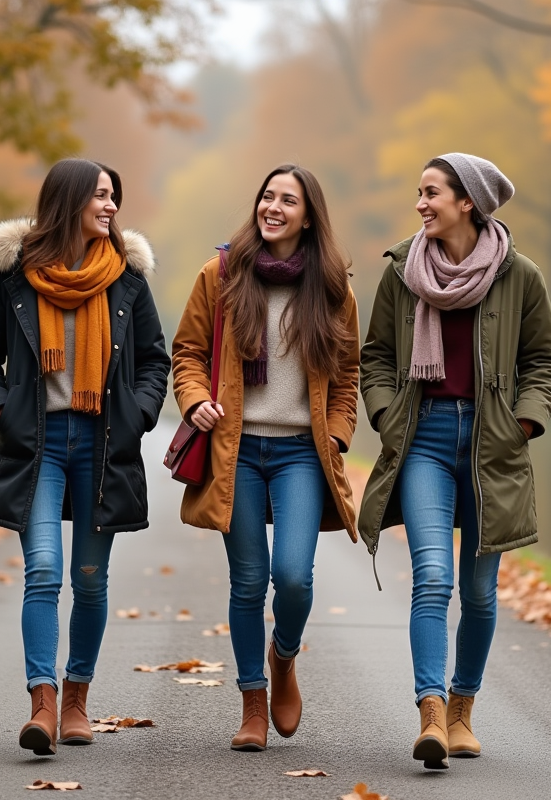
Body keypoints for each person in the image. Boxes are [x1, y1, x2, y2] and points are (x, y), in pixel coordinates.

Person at [358, 153, 551, 770]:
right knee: (433, 577)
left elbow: (545, 359)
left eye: (431, 193)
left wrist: (523, 421)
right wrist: (386, 415)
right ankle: (429, 715)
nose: (421, 204)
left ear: (466, 202)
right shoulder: (402, 271)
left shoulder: (518, 275)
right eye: (419, 193)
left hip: (491, 444)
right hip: (422, 437)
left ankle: (462, 711)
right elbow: (375, 356)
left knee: (478, 591)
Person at [0, 158, 170, 756]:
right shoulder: (15, 277)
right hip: (39, 445)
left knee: (90, 579)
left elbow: (154, 360)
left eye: (115, 197)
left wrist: (138, 415)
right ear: (69, 200)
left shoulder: (127, 278)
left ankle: (78, 698)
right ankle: (43, 703)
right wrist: (4, 412)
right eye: (101, 196)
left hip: (104, 444)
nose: (110, 207)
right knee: (45, 572)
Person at [171, 164, 360, 752]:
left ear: (309, 216)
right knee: (250, 581)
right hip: (238, 450)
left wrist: (335, 432)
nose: (273, 207)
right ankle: (253, 703)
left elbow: (349, 370)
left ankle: (284, 658)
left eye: (288, 200)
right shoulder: (221, 275)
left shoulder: (331, 287)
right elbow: (188, 351)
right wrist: (197, 399)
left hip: (302, 453)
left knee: (294, 578)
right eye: (267, 196)